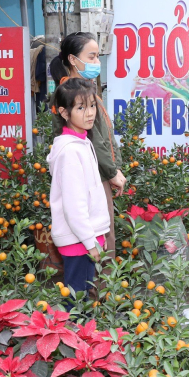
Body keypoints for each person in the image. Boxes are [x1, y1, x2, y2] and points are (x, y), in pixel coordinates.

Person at [49, 33, 125, 255]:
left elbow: (102, 134)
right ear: (73, 60)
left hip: (97, 171)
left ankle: (101, 288)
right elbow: (95, 138)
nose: (96, 63)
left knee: (101, 233)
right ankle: (101, 289)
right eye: (91, 57)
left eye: (97, 57)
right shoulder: (72, 93)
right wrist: (111, 171)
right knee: (102, 236)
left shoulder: (82, 88)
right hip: (93, 174)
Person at [46, 77, 111, 295]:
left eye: (92, 105)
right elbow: (74, 205)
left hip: (84, 238)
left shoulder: (82, 142)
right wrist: (89, 242)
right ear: (65, 113)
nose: (90, 113)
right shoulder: (70, 151)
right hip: (79, 241)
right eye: (81, 108)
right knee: (75, 299)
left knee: (82, 296)